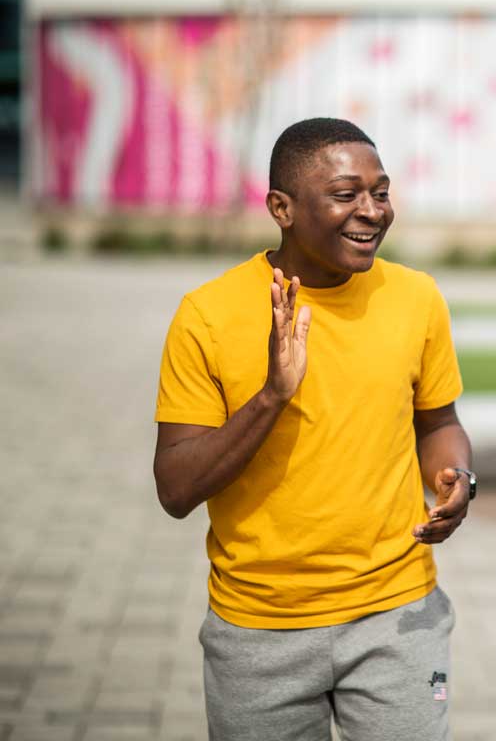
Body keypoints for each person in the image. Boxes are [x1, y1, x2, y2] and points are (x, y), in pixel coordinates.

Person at [153, 118, 474, 740]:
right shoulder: (208, 315)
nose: (372, 211)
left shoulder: (416, 297)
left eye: (380, 193)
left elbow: (439, 421)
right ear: (282, 207)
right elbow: (174, 489)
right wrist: (272, 395)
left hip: (399, 613)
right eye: (346, 194)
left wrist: (456, 476)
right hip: (258, 629)